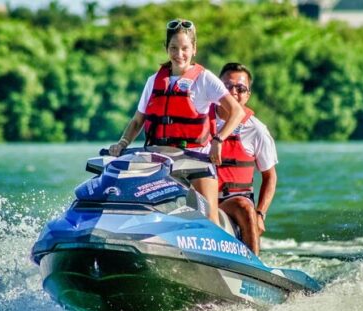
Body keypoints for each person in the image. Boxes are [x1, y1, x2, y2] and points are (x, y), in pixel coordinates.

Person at [109, 19, 244, 225]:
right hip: (157, 159)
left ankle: (215, 241)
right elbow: (137, 121)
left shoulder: (205, 79)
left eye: (184, 48)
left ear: (194, 49)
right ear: (166, 48)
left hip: (195, 159)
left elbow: (236, 111)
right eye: (173, 48)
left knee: (209, 217)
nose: (179, 54)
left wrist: (218, 139)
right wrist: (122, 143)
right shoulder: (154, 80)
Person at [210, 63, 278, 256]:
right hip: (201, 197)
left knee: (246, 208)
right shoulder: (200, 121)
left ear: (248, 95)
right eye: (227, 87)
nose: (233, 93)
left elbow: (270, 176)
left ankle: (254, 268)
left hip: (232, 203)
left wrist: (260, 214)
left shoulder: (257, 130)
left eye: (240, 89)